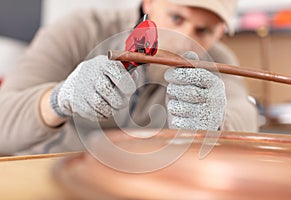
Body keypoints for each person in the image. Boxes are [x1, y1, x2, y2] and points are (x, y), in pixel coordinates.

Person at [0, 0, 258, 155]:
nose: (184, 39)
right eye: (177, 17)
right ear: (149, 3)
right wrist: (59, 98)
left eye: (203, 30)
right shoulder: (80, 30)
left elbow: (245, 118)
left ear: (221, 31)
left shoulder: (216, 60)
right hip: (53, 175)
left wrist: (216, 126)